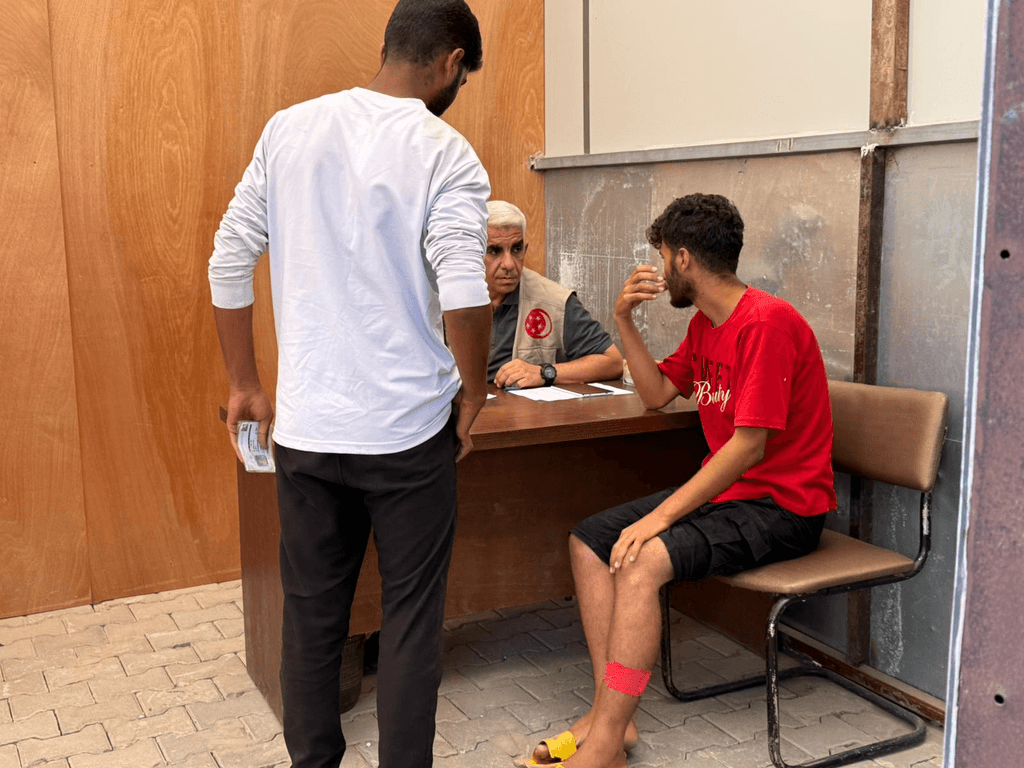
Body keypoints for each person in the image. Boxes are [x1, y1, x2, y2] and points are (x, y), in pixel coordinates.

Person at [207, 2, 492, 767]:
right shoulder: (446, 151)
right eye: (463, 76)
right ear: (452, 63)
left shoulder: (288, 130)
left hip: (307, 433)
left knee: (311, 621)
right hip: (409, 438)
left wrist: (245, 384)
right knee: (409, 624)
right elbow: (465, 290)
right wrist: (473, 394)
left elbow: (228, 260)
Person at [527, 193, 836, 767]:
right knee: (590, 541)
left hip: (783, 508)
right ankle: (612, 718)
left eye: (663, 256)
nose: (661, 267)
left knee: (642, 559)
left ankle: (603, 746)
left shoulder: (766, 324)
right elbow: (654, 394)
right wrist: (623, 320)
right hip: (732, 496)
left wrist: (660, 518)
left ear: (684, 259)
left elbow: (748, 445)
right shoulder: (706, 324)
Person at [485, 201, 623, 388]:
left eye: (516, 250)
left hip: (518, 406)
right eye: (494, 251)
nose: (509, 264)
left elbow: (613, 362)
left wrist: (544, 372)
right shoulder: (446, 298)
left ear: (525, 250)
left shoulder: (554, 300)